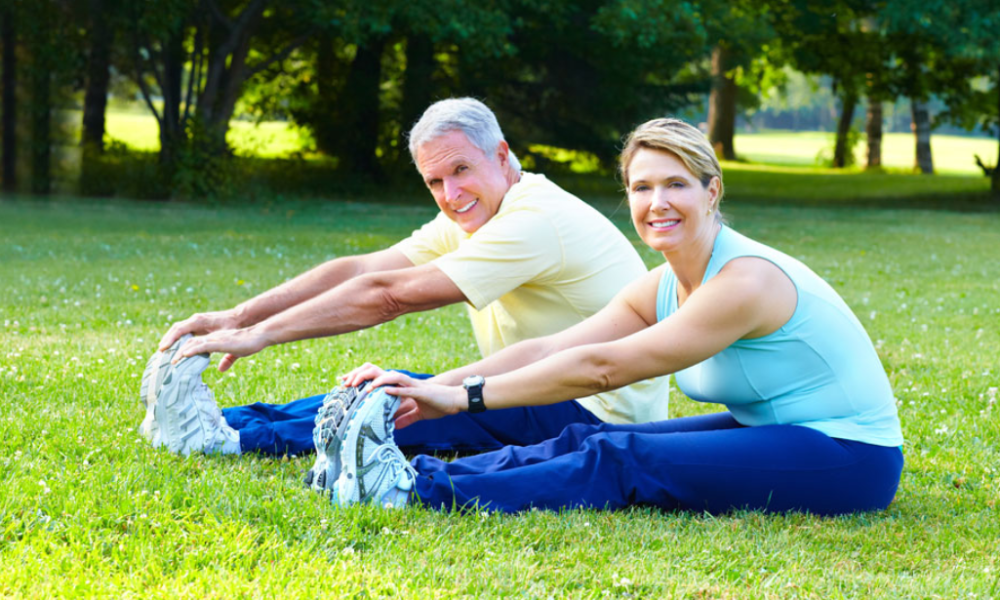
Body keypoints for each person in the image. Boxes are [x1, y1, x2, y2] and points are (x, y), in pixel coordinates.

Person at [332, 117, 904, 515]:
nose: (657, 203)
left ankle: (411, 489)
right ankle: (395, 475)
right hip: (777, 431)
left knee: (623, 456)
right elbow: (550, 349)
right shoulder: (663, 283)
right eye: (641, 187)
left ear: (712, 191)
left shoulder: (745, 281)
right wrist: (429, 387)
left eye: (675, 184)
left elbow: (605, 368)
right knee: (586, 438)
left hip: (848, 456)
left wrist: (461, 400)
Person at [142, 98, 670, 487]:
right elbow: (362, 268)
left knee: (400, 401)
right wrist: (233, 317)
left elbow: (388, 295)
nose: (451, 195)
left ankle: (227, 440)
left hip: (593, 413)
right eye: (434, 182)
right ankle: (224, 424)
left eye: (461, 170)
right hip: (533, 385)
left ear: (502, 154)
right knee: (394, 391)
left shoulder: (534, 220)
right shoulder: (481, 212)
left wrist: (257, 336)